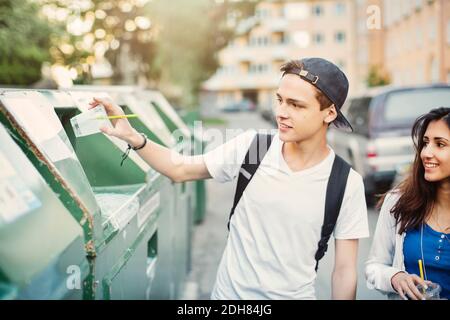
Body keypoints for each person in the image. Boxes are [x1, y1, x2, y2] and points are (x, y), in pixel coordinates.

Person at [89, 57, 369, 300]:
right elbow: (180, 169)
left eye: (296, 105)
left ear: (329, 113)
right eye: (280, 100)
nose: (281, 113)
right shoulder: (253, 148)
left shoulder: (345, 182)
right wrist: (133, 138)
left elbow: (344, 271)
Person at [365, 107, 450, 300]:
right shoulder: (398, 201)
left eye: (440, 144)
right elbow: (374, 266)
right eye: (426, 143)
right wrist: (395, 277)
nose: (426, 153)